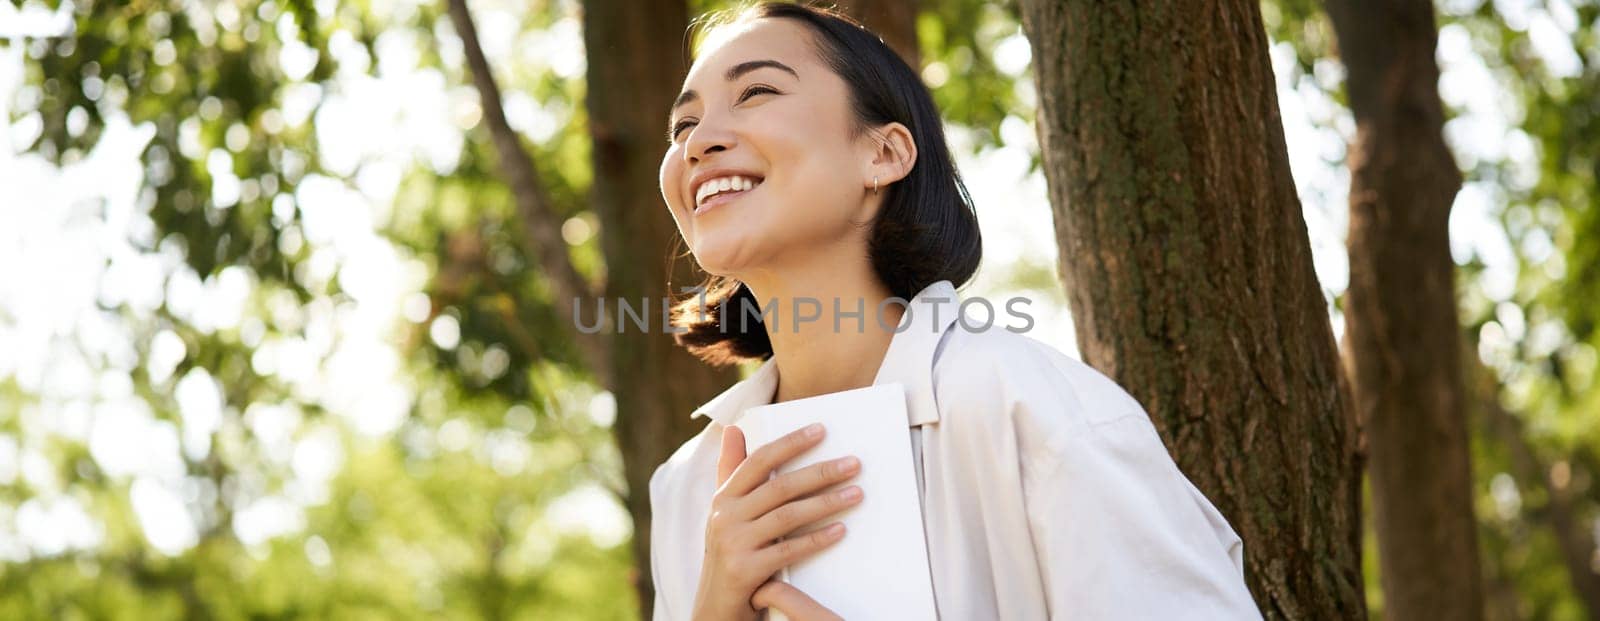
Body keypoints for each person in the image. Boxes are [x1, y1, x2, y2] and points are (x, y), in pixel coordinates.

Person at [649, 3, 1263, 619]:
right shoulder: (687, 490)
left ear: (883, 155)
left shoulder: (1037, 416)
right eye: (682, 127)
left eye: (756, 91)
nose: (698, 143)